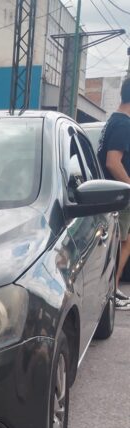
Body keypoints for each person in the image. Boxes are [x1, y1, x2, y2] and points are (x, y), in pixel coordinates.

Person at [98, 77, 130, 310]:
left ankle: (112, 289)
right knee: (122, 243)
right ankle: (111, 291)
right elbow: (113, 162)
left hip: (112, 195)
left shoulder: (114, 121)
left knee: (121, 242)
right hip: (120, 196)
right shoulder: (124, 125)